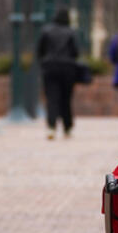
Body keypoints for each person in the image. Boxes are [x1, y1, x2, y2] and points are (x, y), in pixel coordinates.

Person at [36, 8, 80, 140]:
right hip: (67, 69)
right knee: (66, 99)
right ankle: (67, 127)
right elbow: (76, 52)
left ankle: (51, 127)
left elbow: (40, 50)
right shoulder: (71, 32)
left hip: (50, 68)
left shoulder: (46, 30)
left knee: (51, 99)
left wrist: (44, 63)